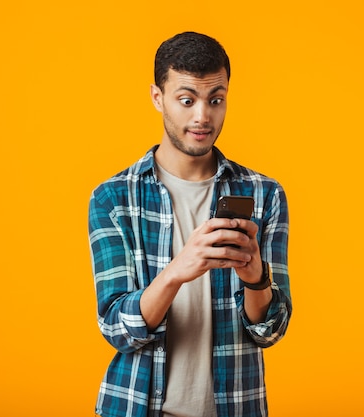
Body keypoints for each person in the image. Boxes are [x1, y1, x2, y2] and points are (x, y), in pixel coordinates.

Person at [88, 31, 292, 417]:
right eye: (187, 100)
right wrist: (176, 272)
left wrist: (255, 278)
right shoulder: (113, 198)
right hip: (136, 405)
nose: (202, 116)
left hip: (236, 406)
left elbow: (271, 330)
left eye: (216, 100)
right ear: (157, 97)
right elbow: (116, 328)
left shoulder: (266, 195)